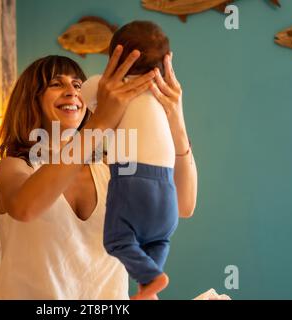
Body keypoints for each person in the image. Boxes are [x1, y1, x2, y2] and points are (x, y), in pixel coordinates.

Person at [0, 45, 197, 299]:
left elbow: (182, 205)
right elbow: (25, 208)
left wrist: (175, 117)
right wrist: (100, 123)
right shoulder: (14, 167)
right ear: (31, 99)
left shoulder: (113, 169)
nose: (72, 92)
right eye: (57, 84)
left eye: (78, 85)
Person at [81, 21, 180, 300]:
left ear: (114, 58)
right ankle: (150, 282)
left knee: (116, 240)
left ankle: (151, 278)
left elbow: (84, 98)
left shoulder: (109, 86)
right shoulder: (165, 95)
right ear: (163, 64)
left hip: (131, 175)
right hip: (167, 186)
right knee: (158, 238)